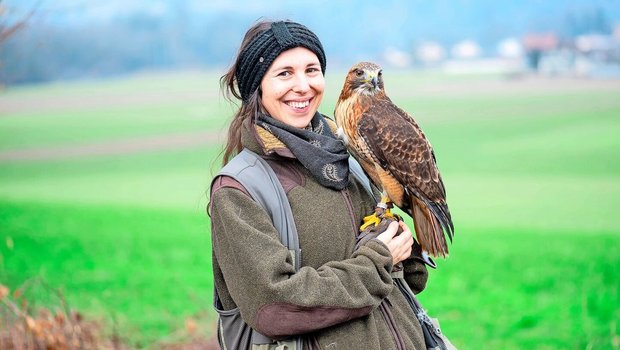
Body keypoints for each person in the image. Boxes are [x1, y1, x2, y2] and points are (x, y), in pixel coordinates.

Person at [209, 19, 430, 350]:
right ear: (258, 87)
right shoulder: (239, 189)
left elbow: (407, 282)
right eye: (284, 73)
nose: (303, 85)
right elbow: (275, 307)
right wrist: (379, 260)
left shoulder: (348, 160)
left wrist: (405, 247)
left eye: (312, 70)